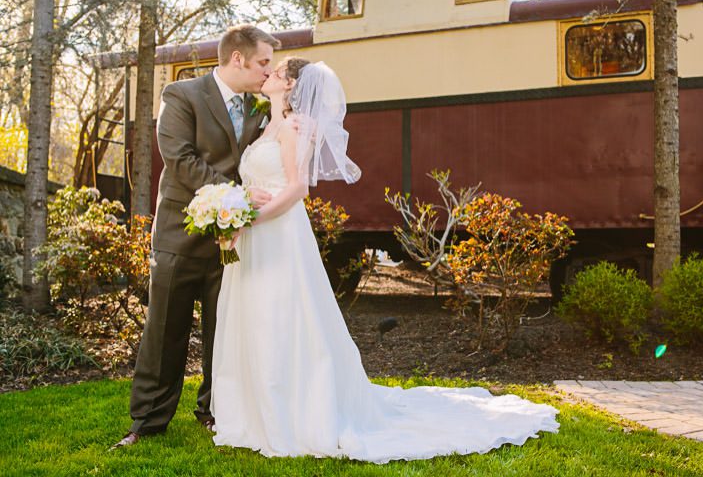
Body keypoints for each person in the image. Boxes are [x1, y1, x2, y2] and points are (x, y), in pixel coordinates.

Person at [210, 58, 559, 462]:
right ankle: (253, 412)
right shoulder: (266, 125)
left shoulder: (293, 128)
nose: (268, 72)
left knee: (283, 316)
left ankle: (293, 411)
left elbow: (297, 189)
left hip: (279, 236)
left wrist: (252, 218)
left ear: (289, 86)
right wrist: (236, 213)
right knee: (255, 316)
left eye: (277, 70)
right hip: (255, 237)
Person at [114, 25, 281, 449]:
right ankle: (147, 421)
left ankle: (215, 412)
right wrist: (238, 196)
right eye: (263, 62)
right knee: (164, 329)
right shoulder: (182, 95)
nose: (268, 70)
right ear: (237, 59)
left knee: (222, 331)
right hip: (178, 234)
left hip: (233, 242)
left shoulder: (261, 107)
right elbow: (181, 159)